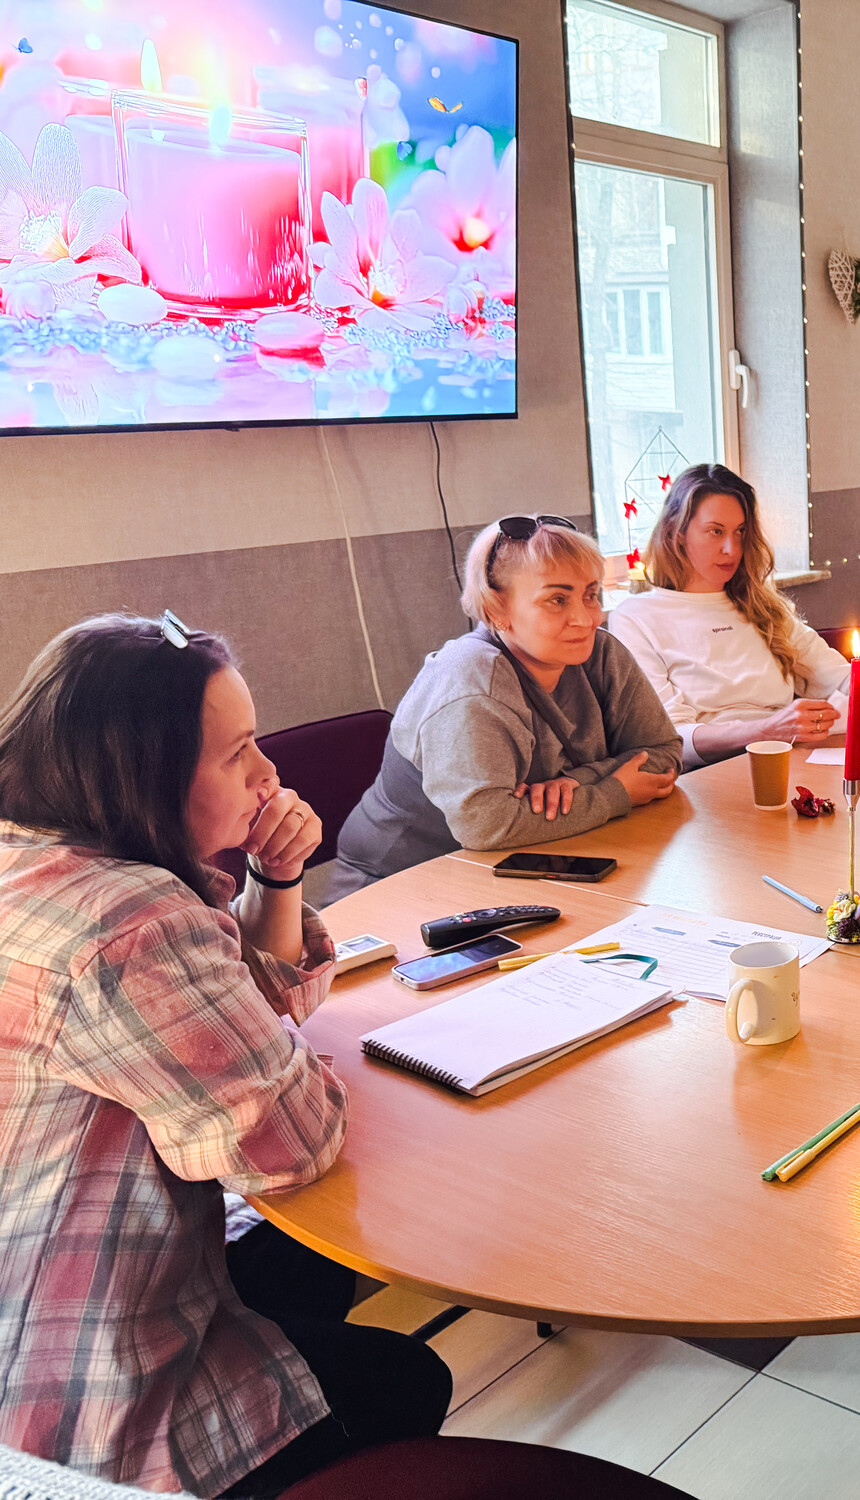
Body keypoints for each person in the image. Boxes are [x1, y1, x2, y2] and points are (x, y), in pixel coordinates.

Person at [0, 614, 450, 1497]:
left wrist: (274, 883)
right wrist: (283, 1046)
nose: (270, 774)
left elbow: (226, 1008)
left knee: (315, 1264)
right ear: (144, 775)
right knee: (403, 1377)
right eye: (240, 750)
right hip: (73, 1382)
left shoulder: (46, 862)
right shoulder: (129, 922)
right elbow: (292, 1142)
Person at [327, 514, 681, 899]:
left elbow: (663, 752)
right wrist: (615, 793)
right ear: (496, 608)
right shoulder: (472, 681)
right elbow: (486, 825)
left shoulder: (601, 652)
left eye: (591, 595)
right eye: (557, 600)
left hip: (528, 863)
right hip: (401, 884)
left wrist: (578, 783)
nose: (585, 618)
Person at [606, 465, 860, 766]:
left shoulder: (762, 606)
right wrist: (766, 730)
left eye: (740, 533)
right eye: (715, 531)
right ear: (675, 533)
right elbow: (672, 740)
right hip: (705, 782)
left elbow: (841, 676)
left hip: (787, 762)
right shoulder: (636, 617)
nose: (731, 549)